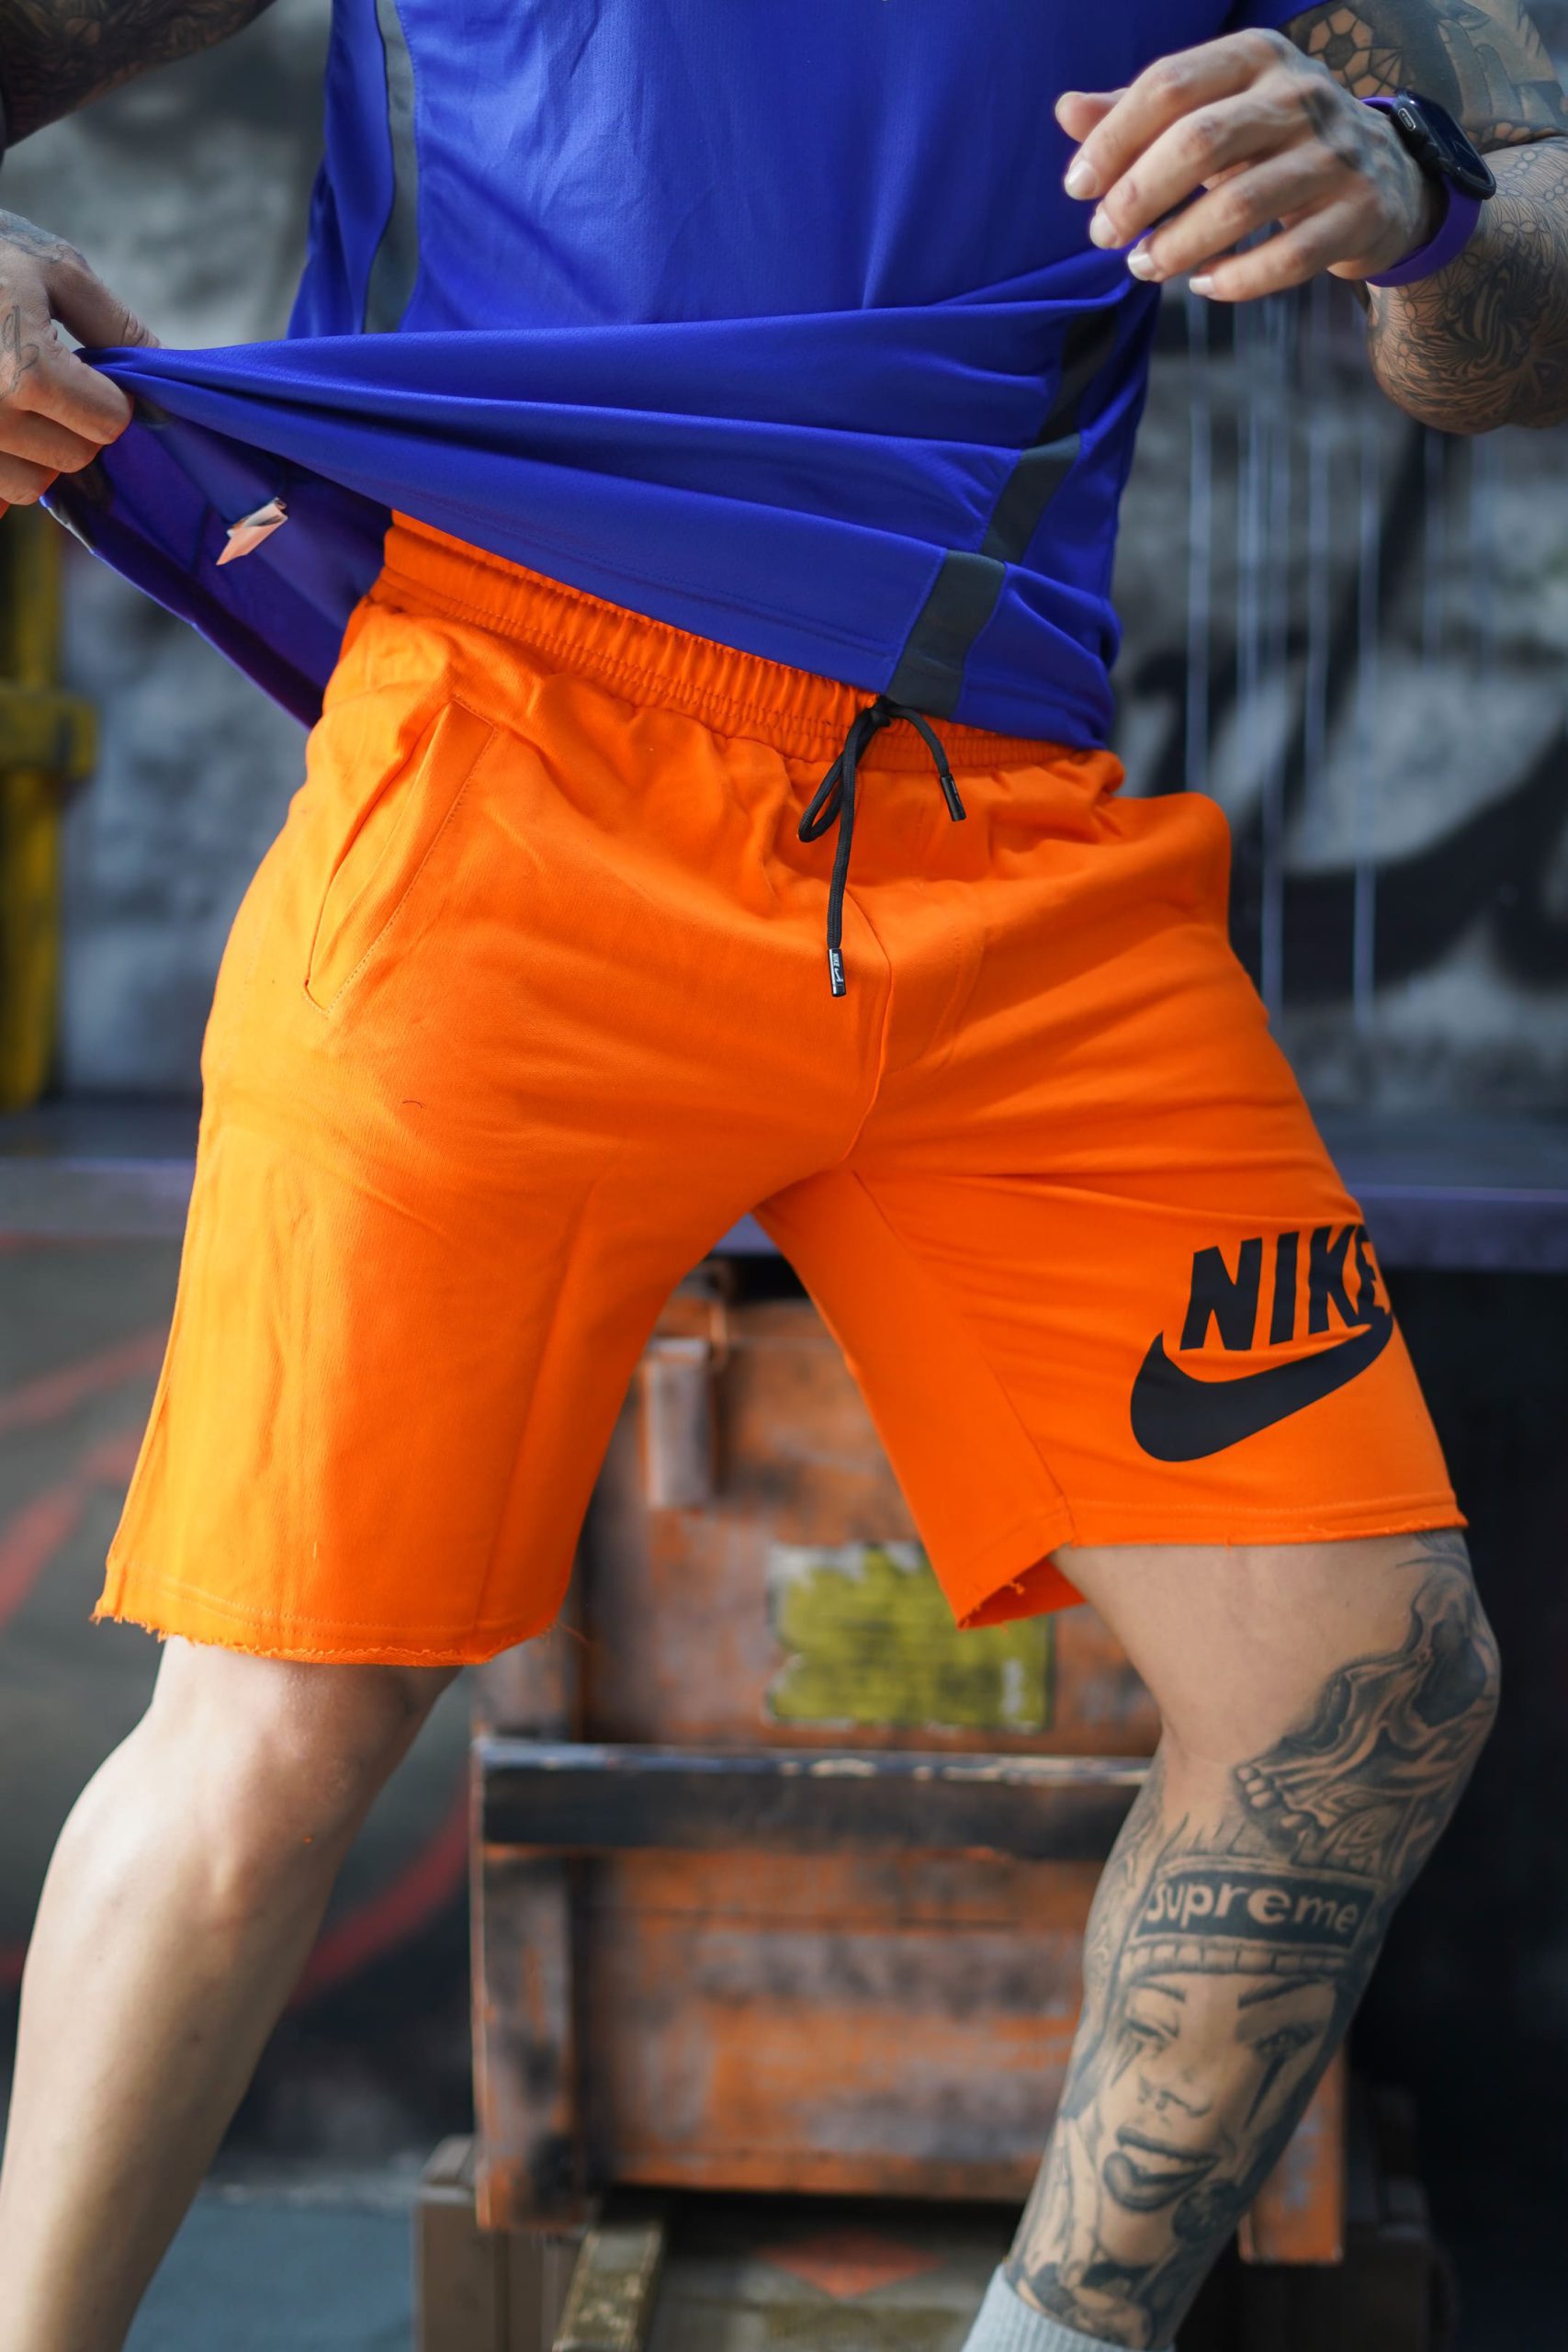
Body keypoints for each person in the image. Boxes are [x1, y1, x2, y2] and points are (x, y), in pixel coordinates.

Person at [1, 3, 1559, 2346]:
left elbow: (1527, 269)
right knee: (272, 1729)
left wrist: (1415, 190)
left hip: (1001, 831)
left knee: (1363, 1676)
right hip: (504, 763)